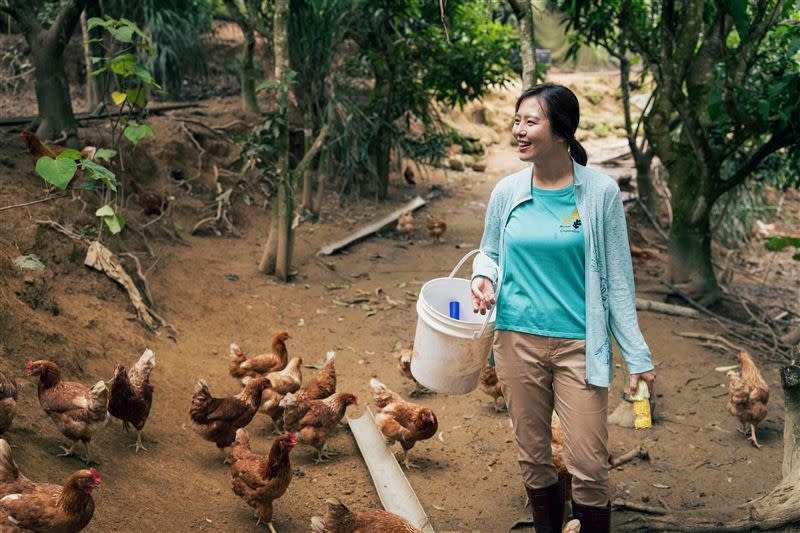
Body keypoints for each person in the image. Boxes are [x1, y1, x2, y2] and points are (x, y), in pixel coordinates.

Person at [470, 83, 656, 533]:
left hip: (580, 345)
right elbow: (489, 253)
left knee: (589, 467)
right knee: (533, 459)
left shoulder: (600, 194)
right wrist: (482, 278)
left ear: (561, 132)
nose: (518, 130)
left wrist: (636, 353)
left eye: (530, 121)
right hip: (516, 342)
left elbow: (617, 282)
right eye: (516, 121)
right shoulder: (506, 191)